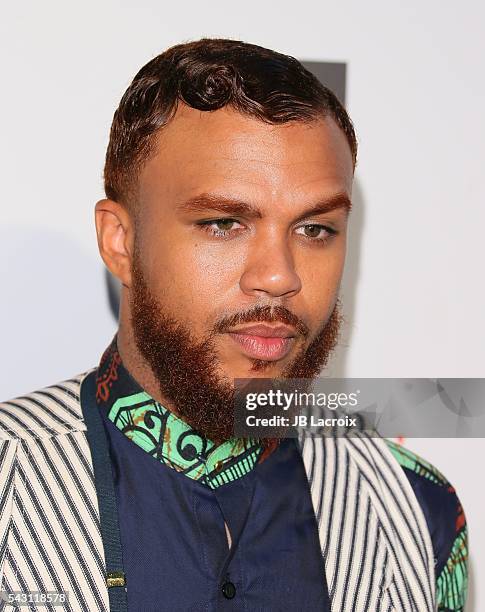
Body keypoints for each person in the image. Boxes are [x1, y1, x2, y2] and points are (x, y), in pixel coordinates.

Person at [0, 39, 467, 612]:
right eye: (223, 223)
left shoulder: (416, 508)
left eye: (315, 229)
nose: (279, 277)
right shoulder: (11, 474)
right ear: (120, 242)